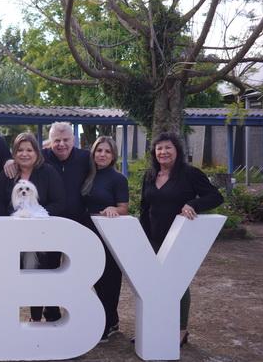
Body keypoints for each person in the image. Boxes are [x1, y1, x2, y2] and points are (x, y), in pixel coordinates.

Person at [140, 132, 224, 345]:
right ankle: (156, 325)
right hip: (153, 237)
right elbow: (144, 207)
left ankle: (180, 330)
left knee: (177, 283)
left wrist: (193, 204)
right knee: (154, 284)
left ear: (177, 150)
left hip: (179, 237)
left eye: (168, 147)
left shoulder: (190, 174)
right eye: (159, 148)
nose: (163, 152)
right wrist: (141, 237)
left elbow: (216, 197)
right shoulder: (149, 175)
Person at [0, 132, 65, 322]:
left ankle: (38, 317)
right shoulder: (8, 174)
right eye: (20, 150)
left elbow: (59, 202)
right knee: (13, 277)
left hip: (42, 236)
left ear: (36, 152)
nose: (24, 154)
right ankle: (8, 321)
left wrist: (36, 215)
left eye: (29, 150)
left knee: (41, 277)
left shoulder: (48, 172)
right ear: (14, 153)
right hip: (13, 237)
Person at [81, 136, 129, 342]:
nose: (102, 154)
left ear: (113, 155)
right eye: (99, 150)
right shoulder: (87, 176)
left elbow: (124, 208)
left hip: (109, 236)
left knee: (109, 280)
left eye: (107, 151)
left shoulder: (118, 179)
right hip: (87, 234)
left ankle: (108, 324)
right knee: (95, 280)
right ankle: (111, 319)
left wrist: (113, 208)